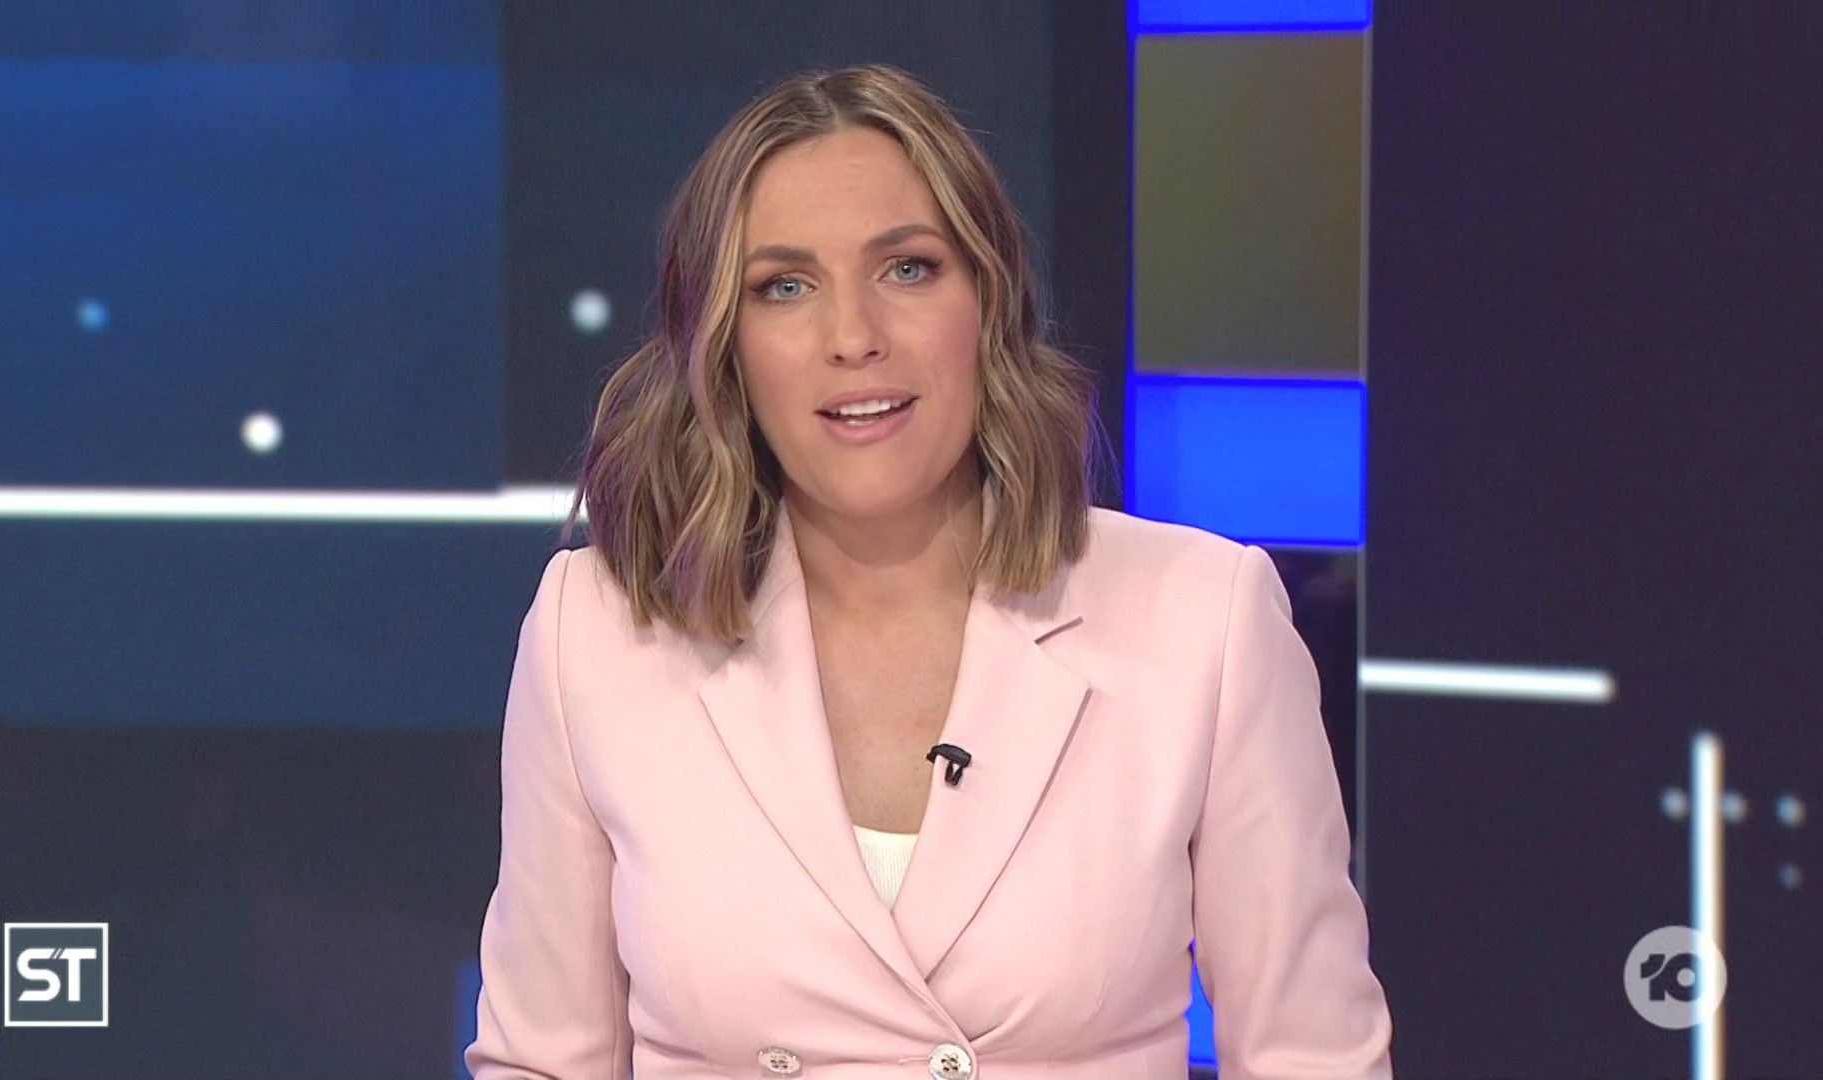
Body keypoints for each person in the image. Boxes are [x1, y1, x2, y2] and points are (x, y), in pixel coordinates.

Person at [465, 63, 1393, 1080]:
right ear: (724, 345)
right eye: (785, 288)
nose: (854, 338)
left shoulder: (1202, 620)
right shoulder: (595, 633)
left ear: (988, 301)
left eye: (907, 269)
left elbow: (1315, 1061)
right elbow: (542, 1061)